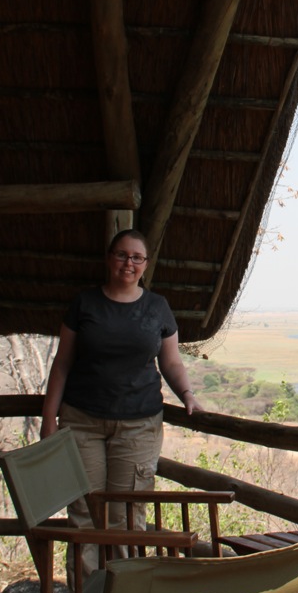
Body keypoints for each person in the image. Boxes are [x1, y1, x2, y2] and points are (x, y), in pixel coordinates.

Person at [39, 228, 203, 569]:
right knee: (84, 511)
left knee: (127, 515)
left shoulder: (157, 307)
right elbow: (63, 362)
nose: (128, 263)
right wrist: (48, 418)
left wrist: (187, 394)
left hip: (138, 426)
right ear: (109, 259)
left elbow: (170, 361)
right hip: (81, 421)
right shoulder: (85, 303)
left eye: (136, 257)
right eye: (122, 255)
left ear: (145, 264)